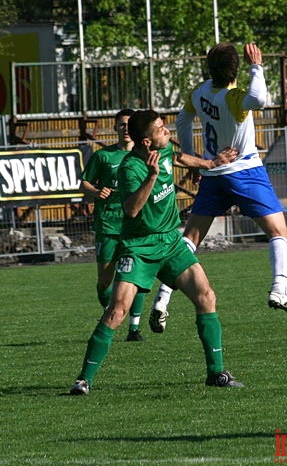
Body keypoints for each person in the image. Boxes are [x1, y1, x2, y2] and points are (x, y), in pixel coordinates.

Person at [70, 109, 243, 394]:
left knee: (206, 296)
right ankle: (83, 380)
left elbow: (178, 157)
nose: (168, 132)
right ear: (147, 142)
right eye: (161, 129)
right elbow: (132, 209)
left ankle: (216, 373)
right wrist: (151, 176)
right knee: (116, 311)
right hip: (139, 246)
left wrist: (211, 162)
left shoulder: (163, 153)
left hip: (171, 242)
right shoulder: (130, 168)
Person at [151, 42, 287, 328]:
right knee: (281, 232)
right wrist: (257, 66)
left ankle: (162, 298)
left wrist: (192, 155)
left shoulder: (199, 92)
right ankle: (279, 290)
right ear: (236, 68)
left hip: (213, 172)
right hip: (244, 171)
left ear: (209, 68)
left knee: (191, 238)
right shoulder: (235, 98)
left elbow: (184, 118)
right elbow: (259, 99)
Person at [80, 108, 146, 342]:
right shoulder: (103, 156)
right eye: (121, 125)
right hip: (108, 225)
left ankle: (134, 328)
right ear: (115, 128)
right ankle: (111, 313)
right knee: (105, 282)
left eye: (129, 125)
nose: (125, 129)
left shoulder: (143, 155)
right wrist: (97, 191)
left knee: (136, 277)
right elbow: (84, 183)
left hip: (134, 226)